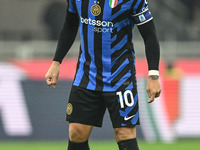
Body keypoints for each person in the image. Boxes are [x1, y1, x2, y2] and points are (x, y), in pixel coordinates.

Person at [45, 0, 162, 149]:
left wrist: (153, 75)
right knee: (76, 132)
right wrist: (56, 62)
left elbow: (150, 35)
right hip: (87, 74)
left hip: (121, 76)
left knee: (124, 133)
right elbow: (70, 25)